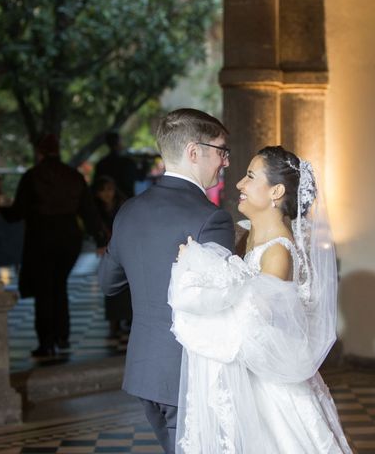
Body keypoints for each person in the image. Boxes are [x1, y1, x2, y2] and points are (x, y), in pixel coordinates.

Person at [169, 146, 351, 453]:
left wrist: (203, 270)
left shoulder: (278, 253)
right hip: (243, 378)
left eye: (250, 176)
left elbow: (253, 322)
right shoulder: (243, 234)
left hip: (267, 387)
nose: (239, 184)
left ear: (276, 191)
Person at [98, 108, 235, 453]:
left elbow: (108, 284)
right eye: (221, 151)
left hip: (145, 370)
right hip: (190, 373)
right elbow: (224, 301)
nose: (226, 162)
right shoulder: (211, 218)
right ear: (194, 151)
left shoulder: (129, 210)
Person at [2, 134, 102, 357]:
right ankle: (62, 336)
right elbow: (89, 212)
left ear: (39, 152)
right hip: (69, 237)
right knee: (59, 285)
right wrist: (101, 238)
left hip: (42, 237)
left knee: (44, 290)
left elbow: (17, 212)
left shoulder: (32, 176)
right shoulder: (73, 176)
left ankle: (46, 341)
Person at [92, 175, 131, 339]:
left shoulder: (123, 205)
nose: (107, 194)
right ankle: (114, 324)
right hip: (109, 251)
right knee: (111, 285)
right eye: (103, 191)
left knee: (127, 287)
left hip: (125, 249)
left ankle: (128, 320)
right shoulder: (96, 209)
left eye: (110, 190)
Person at [94, 131, 140, 198]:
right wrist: (145, 163)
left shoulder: (101, 164)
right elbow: (140, 176)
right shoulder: (127, 162)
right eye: (121, 141)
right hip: (126, 201)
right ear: (118, 143)